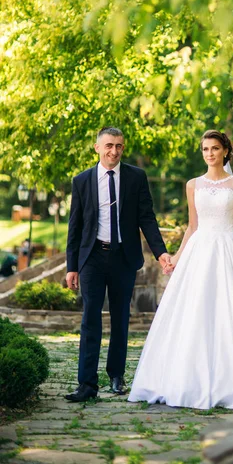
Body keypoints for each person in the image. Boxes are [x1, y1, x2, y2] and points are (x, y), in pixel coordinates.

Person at [128, 130, 233, 409]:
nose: (209, 153)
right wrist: (176, 256)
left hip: (228, 251)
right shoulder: (192, 184)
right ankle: (186, 377)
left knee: (229, 312)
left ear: (225, 151)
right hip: (199, 251)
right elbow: (192, 226)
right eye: (205, 149)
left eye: (214, 148)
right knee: (194, 310)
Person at [65, 126, 170, 402]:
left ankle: (116, 376)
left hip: (124, 257)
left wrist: (161, 252)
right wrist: (71, 266)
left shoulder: (136, 177)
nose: (114, 151)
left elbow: (147, 217)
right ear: (97, 147)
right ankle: (86, 384)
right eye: (109, 145)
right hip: (92, 258)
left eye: (119, 146)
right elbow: (74, 227)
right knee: (90, 320)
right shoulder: (82, 181)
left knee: (121, 318)